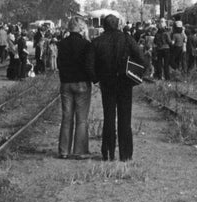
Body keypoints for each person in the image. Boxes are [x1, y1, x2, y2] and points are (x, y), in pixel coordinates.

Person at [92, 14, 145, 162]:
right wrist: (136, 78)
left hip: (107, 83)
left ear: (104, 26)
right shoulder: (127, 39)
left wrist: (96, 79)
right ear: (118, 24)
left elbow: (90, 64)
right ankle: (125, 155)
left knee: (109, 117)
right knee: (125, 119)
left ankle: (108, 153)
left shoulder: (97, 41)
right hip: (124, 83)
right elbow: (141, 58)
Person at [56, 17, 96, 159]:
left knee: (66, 117)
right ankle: (79, 151)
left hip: (66, 83)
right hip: (82, 83)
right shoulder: (86, 44)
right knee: (81, 119)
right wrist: (94, 79)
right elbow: (89, 64)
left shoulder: (62, 44)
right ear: (80, 28)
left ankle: (63, 151)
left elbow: (59, 63)